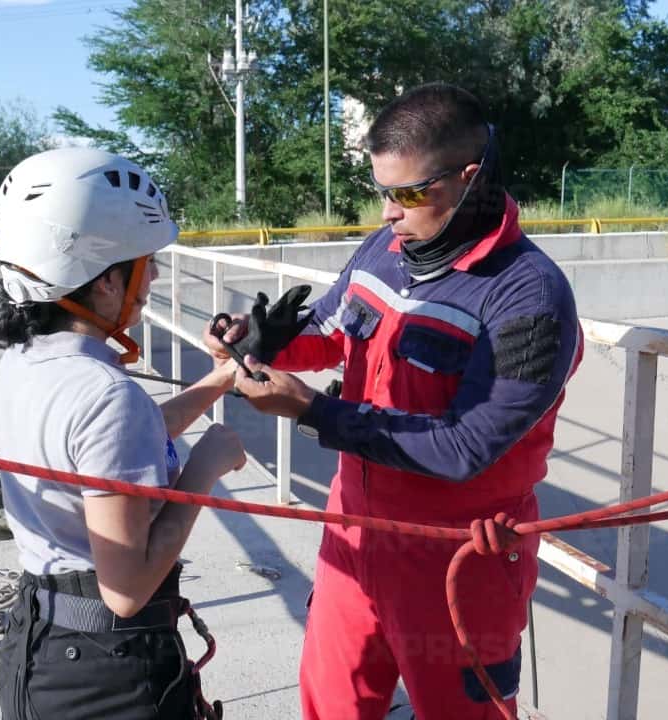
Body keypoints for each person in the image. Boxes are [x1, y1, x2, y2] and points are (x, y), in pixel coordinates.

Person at [205, 83, 582, 719]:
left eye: (408, 194)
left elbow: (466, 450)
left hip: (462, 562)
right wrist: (264, 341)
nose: (388, 212)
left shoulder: (530, 298)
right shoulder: (387, 247)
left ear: (470, 178)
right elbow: (331, 328)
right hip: (353, 532)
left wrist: (314, 412)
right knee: (331, 705)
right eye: (382, 190)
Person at [0, 147, 246, 720]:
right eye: (145, 261)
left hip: (42, 649)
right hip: (110, 673)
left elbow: (122, 442)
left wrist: (220, 380)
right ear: (106, 282)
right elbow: (126, 590)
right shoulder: (105, 394)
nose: (153, 275)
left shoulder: (26, 360)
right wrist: (204, 467)